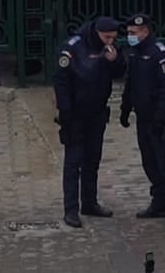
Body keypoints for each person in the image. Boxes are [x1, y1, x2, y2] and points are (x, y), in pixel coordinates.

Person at [52, 16, 127, 228]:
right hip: (75, 113)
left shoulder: (112, 47)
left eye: (113, 37)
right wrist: (65, 112)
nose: (110, 41)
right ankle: (71, 209)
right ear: (97, 32)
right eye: (106, 37)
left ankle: (90, 203)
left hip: (97, 112)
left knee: (93, 159)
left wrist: (115, 61)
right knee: (73, 162)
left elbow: (120, 72)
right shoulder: (73, 47)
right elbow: (61, 80)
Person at [119, 13, 165, 225]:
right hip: (143, 118)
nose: (130, 36)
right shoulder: (134, 53)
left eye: (133, 33)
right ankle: (159, 204)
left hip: (161, 119)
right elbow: (130, 83)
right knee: (149, 162)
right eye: (128, 33)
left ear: (145, 32)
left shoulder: (159, 54)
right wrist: (125, 108)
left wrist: (161, 117)